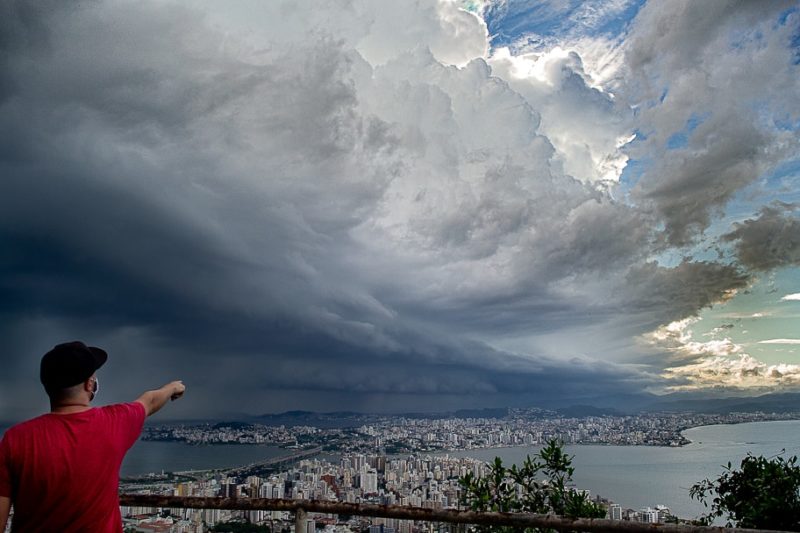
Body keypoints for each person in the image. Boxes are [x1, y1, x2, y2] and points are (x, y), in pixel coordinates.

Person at [0, 341, 186, 532]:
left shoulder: (15, 439)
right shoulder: (114, 422)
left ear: (48, 386)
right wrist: (172, 387)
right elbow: (150, 401)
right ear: (90, 384)